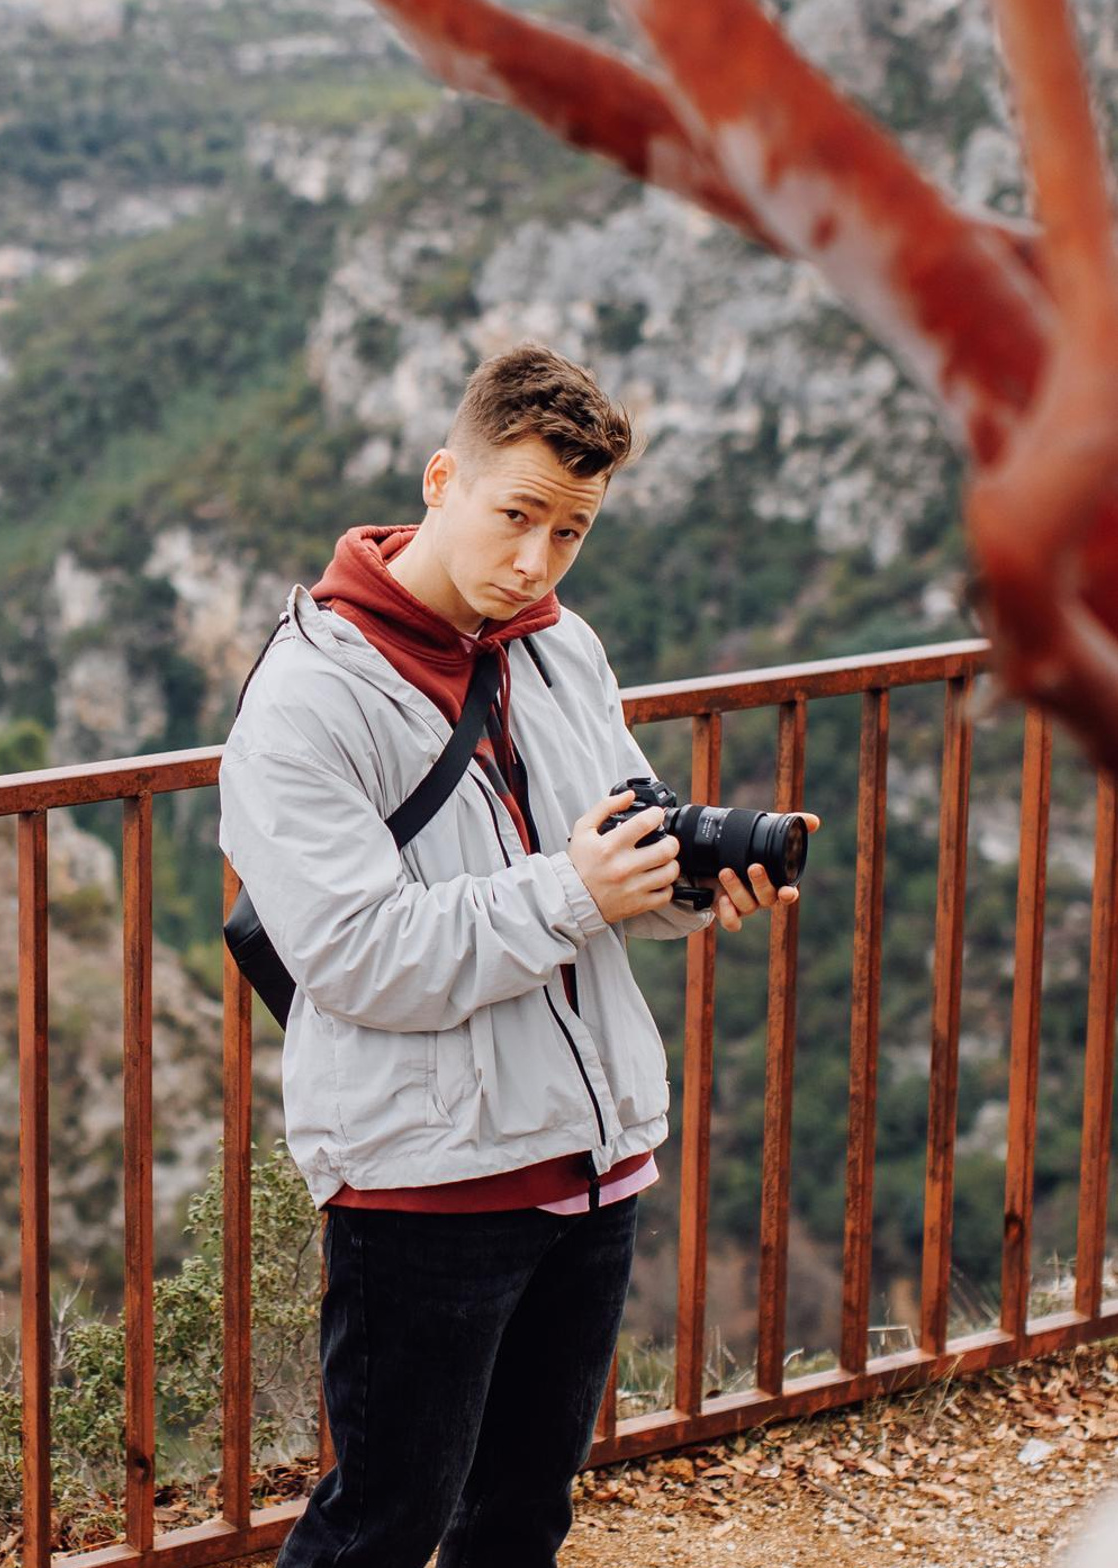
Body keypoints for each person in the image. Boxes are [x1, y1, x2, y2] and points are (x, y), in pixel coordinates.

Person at [218, 341, 817, 1568]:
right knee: (386, 1522)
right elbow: (360, 956)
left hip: (591, 1157)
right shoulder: (305, 702)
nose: (538, 561)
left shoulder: (560, 647)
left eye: (572, 532)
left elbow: (606, 855)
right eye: (518, 516)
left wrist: (693, 883)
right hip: (427, 1178)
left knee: (523, 1514)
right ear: (444, 478)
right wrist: (573, 890)